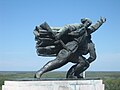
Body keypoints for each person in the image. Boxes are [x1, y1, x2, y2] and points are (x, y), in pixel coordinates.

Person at [34, 17, 106, 78]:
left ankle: (72, 75)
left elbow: (94, 27)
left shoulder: (86, 31)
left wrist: (101, 22)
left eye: (89, 24)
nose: (89, 24)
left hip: (74, 52)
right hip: (68, 48)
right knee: (58, 62)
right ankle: (40, 72)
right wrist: (59, 34)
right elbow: (67, 27)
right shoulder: (78, 26)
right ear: (84, 22)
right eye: (87, 23)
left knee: (83, 62)